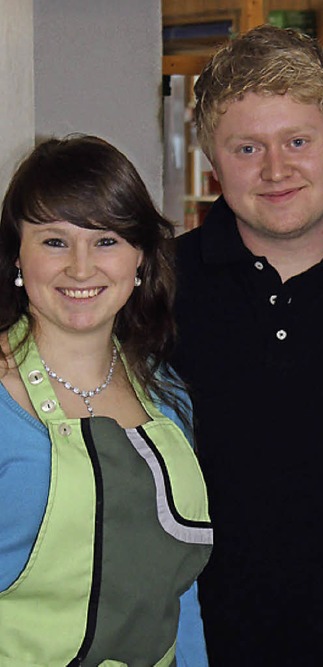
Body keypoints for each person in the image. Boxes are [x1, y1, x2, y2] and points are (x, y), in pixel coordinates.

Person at [172, 25, 323, 666]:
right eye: (246, 147)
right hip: (201, 648)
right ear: (212, 159)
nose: (275, 169)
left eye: (298, 141)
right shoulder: (158, 288)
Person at [0, 135, 213, 665]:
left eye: (107, 241)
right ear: (17, 256)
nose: (80, 268)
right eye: (54, 241)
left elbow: (178, 592)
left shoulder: (167, 396)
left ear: (140, 258)